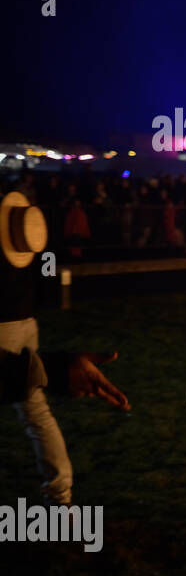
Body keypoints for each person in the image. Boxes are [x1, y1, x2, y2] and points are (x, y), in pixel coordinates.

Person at [1, 191, 129, 506]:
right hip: (25, 322)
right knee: (35, 410)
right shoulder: (22, 249)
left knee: (31, 403)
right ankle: (60, 497)